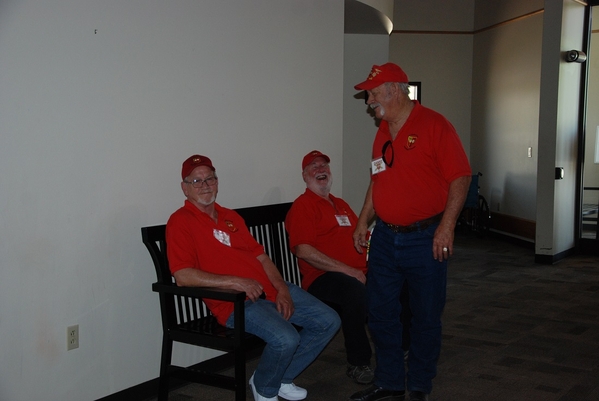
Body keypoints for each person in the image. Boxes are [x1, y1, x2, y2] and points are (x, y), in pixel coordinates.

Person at [166, 154, 341, 401]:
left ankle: (277, 378)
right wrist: (235, 282)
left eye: (210, 179)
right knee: (286, 338)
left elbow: (261, 257)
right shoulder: (179, 222)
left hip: (266, 289)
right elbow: (183, 276)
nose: (205, 185)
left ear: (217, 182)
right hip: (234, 301)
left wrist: (281, 288)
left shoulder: (230, 217)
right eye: (196, 181)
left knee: (328, 320)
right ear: (185, 188)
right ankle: (265, 388)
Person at [349, 63, 472, 401]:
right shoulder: (382, 131)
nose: (369, 100)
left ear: (395, 89)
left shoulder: (434, 124)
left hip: (426, 237)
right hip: (386, 238)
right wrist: (363, 220)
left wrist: (447, 228)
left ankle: (419, 386)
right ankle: (389, 382)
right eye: (368, 94)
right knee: (381, 313)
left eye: (373, 93)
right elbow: (378, 179)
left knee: (425, 316)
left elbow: (460, 177)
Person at [285, 150, 373, 385]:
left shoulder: (340, 203)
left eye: (324, 165)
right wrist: (349, 270)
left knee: (396, 279)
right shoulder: (303, 206)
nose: (321, 169)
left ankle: (402, 346)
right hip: (322, 278)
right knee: (354, 291)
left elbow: (359, 234)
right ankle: (358, 362)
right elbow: (303, 250)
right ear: (305, 176)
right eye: (314, 167)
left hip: (356, 272)